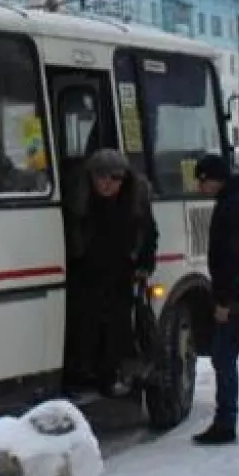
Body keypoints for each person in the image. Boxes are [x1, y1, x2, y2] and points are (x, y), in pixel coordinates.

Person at [69, 149, 159, 398]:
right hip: (86, 273)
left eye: (115, 178)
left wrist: (143, 266)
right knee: (86, 325)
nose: (108, 184)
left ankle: (109, 377)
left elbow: (149, 236)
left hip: (121, 273)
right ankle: (83, 373)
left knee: (116, 327)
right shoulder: (80, 202)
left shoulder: (134, 202)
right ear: (91, 178)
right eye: (102, 177)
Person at [190, 154, 239, 445]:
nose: (200, 186)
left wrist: (224, 300)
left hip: (237, 298)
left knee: (224, 357)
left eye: (202, 180)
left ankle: (226, 423)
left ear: (216, 178)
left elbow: (234, 259)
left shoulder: (234, 206)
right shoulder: (238, 200)